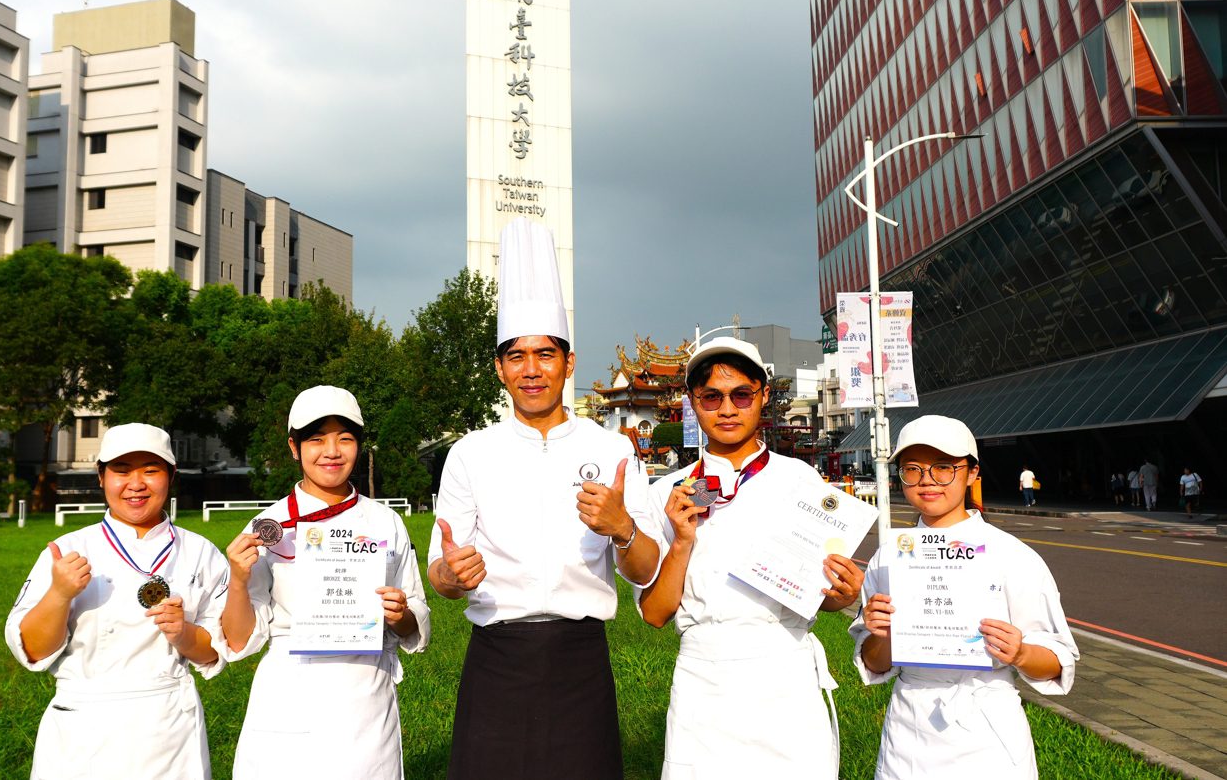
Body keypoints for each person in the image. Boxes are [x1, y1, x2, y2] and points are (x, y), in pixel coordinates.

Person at [428, 218, 664, 780]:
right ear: (500, 369)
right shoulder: (470, 453)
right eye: (517, 356)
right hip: (495, 656)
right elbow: (438, 576)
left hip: (580, 656)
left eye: (545, 355)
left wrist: (622, 528)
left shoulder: (611, 449)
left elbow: (648, 569)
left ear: (569, 363)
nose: (531, 370)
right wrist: (451, 576)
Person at [637, 337, 860, 778]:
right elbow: (654, 613)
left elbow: (823, 596)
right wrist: (682, 541)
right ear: (692, 403)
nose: (727, 409)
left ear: (762, 397)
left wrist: (844, 592)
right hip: (705, 679)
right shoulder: (669, 492)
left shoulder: (801, 479)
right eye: (711, 397)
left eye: (741, 394)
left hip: (785, 672)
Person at [851, 415, 1078, 779]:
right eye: (913, 469)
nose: (927, 481)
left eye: (943, 468)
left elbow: (1058, 661)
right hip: (910, 730)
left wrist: (1020, 653)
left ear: (972, 473)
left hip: (988, 727)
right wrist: (882, 635)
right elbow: (874, 664)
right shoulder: (888, 557)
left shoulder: (1013, 555)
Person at [219, 386, 429, 779]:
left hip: (365, 697)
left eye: (344, 438)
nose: (331, 451)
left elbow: (415, 613)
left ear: (360, 446)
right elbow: (239, 640)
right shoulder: (269, 527)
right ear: (294, 448)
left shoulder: (385, 522)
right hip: (288, 693)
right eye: (316, 439)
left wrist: (401, 614)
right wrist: (237, 578)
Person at [5, 424, 229, 780]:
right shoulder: (69, 550)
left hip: (169, 727)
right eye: (121, 471)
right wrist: (59, 593)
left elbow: (215, 652)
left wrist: (183, 633)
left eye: (151, 471)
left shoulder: (201, 553)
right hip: (83, 729)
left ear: (171, 476)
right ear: (101, 476)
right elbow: (31, 650)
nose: (136, 484)